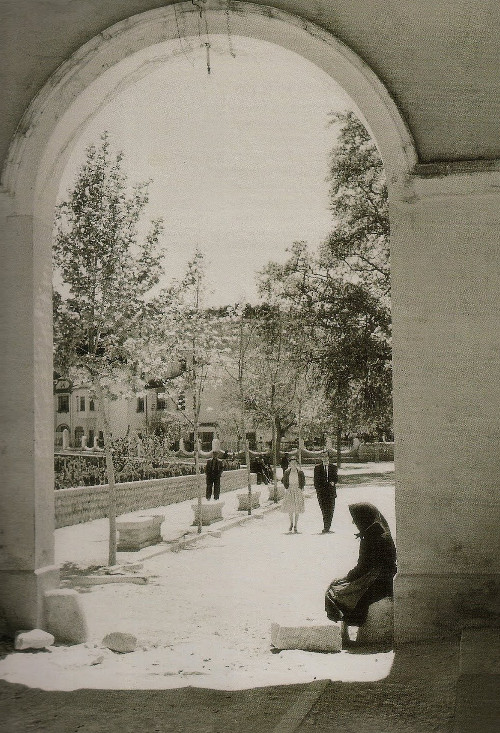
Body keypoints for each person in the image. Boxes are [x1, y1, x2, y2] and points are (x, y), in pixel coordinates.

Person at [324, 503, 397, 634]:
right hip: (385, 578)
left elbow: (362, 568)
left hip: (377, 583)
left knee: (333, 591)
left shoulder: (371, 537)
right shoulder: (379, 531)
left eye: (356, 518)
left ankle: (347, 624)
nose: (353, 522)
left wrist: (347, 577)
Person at [313, 450, 338, 533]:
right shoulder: (317, 468)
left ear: (328, 457)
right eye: (322, 457)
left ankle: (327, 526)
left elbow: (336, 479)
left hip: (331, 492)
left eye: (326, 456)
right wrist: (319, 491)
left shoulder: (333, 467)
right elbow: (316, 482)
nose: (324, 458)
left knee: (330, 509)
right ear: (321, 458)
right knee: (324, 509)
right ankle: (326, 525)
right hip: (322, 493)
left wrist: (333, 482)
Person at [281, 456, 305, 532]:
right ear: (290, 464)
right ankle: (291, 523)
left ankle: (296, 525)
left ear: (297, 464)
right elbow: (284, 481)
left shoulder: (300, 472)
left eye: (295, 463)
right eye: (292, 463)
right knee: (290, 508)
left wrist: (300, 488)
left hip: (297, 490)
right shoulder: (287, 472)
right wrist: (287, 488)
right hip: (290, 490)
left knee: (297, 509)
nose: (293, 464)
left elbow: (303, 481)